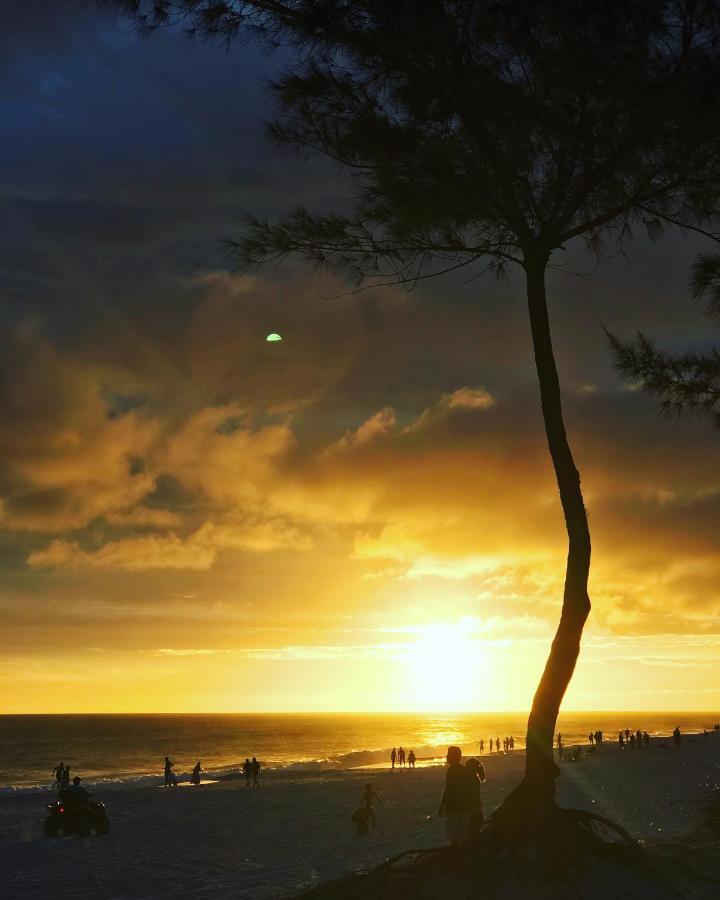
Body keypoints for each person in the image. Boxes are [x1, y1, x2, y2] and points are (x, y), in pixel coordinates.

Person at [438, 746, 474, 845]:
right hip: (464, 807)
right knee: (463, 834)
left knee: (453, 835)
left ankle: (456, 854)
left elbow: (448, 789)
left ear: (454, 757)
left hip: (453, 807)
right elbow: (469, 789)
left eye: (448, 755)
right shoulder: (465, 770)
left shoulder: (451, 771)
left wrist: (442, 806)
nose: (447, 757)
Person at [465, 757, 486, 841]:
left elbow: (469, 794)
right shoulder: (474, 778)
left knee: (472, 831)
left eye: (467, 766)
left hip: (473, 808)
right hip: (476, 807)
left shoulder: (471, 778)